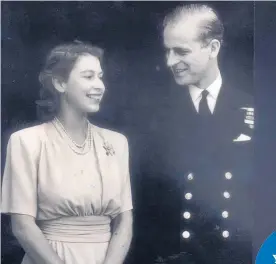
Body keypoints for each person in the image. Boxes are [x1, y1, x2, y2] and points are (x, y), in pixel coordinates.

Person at [135, 4, 254, 264]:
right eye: (167, 51)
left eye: (181, 52)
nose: (170, 62)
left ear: (213, 48)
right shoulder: (152, 114)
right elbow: (144, 204)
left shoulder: (257, 109)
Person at [1, 40, 133, 264]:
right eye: (88, 76)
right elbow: (22, 226)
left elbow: (124, 221)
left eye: (100, 76)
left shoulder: (117, 143)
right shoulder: (26, 142)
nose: (100, 85)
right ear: (60, 83)